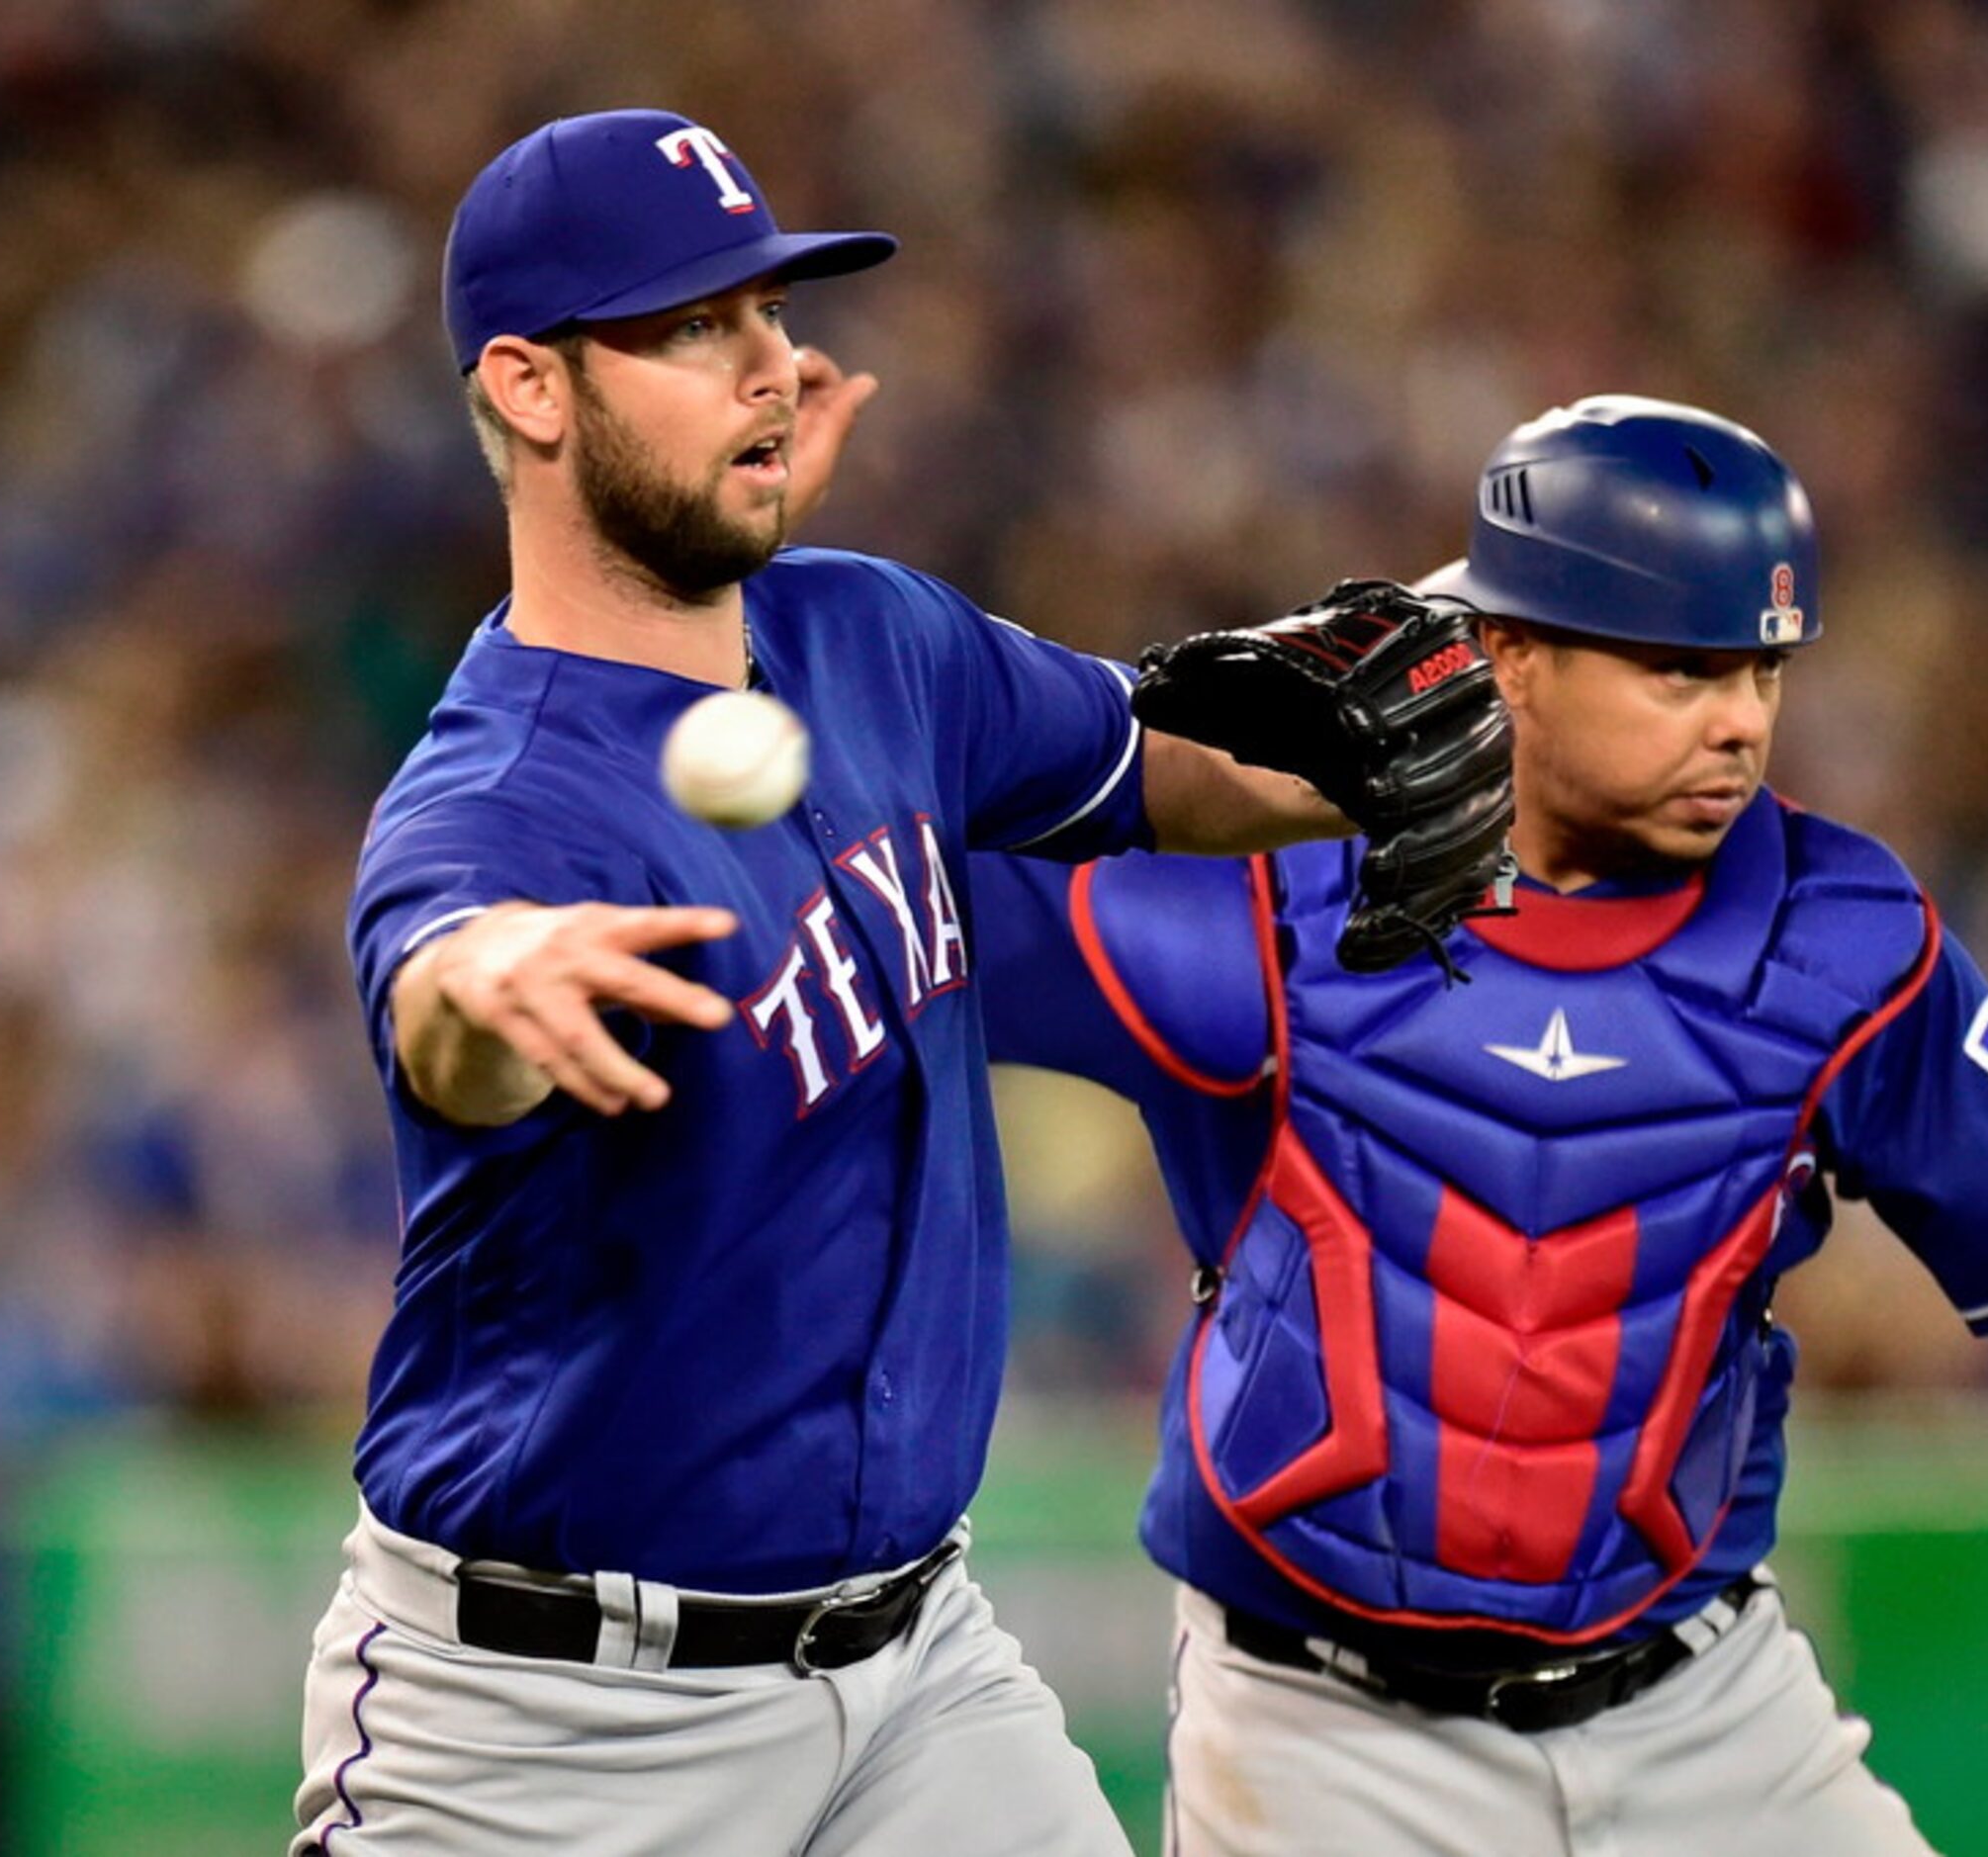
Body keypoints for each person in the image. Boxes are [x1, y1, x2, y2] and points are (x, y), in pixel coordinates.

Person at [972, 396, 1988, 1856]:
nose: (1738, 724)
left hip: (1701, 1712)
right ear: (1510, 653)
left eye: (1761, 670)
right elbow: (931, 899)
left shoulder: (1838, 933)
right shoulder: (1272, 900)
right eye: (1680, 670)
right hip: (1326, 1735)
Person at [292, 107, 1422, 1857]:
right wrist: (490, 984)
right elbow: (444, 996)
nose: (768, 363)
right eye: (689, 329)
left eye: (764, 311)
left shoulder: (872, 637)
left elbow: (1182, 761)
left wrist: (1488, 666)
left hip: (916, 1677)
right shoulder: (499, 802)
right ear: (529, 389)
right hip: (552, 1724)